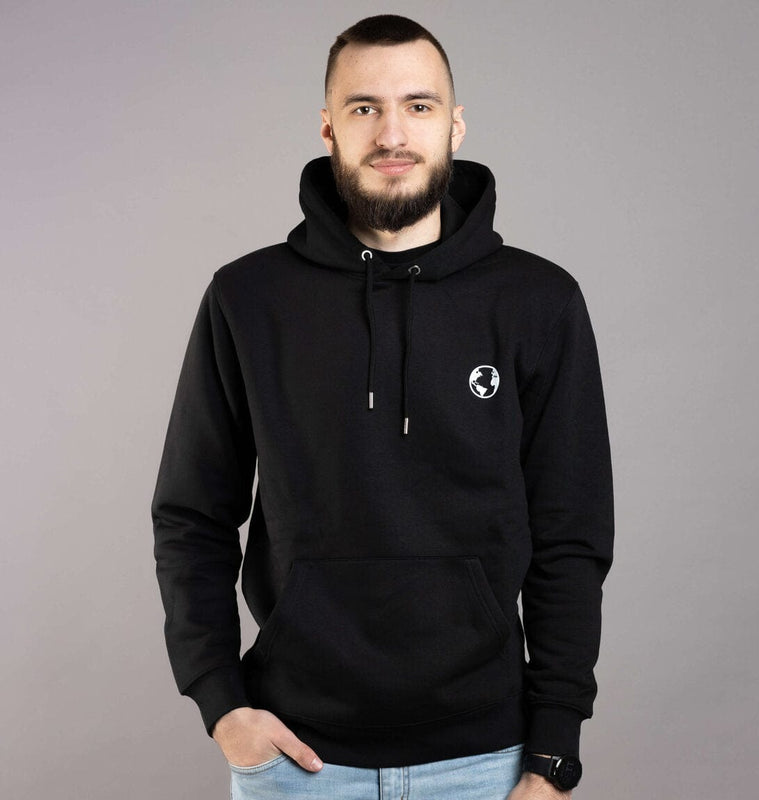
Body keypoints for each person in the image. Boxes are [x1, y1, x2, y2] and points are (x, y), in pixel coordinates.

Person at [151, 14, 614, 800]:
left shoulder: (538, 301)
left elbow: (571, 534)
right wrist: (221, 705)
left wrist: (555, 753)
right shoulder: (249, 298)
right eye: (364, 107)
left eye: (418, 105)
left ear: (454, 126)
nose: (392, 133)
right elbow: (192, 515)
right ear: (328, 127)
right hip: (296, 758)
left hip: (488, 759)